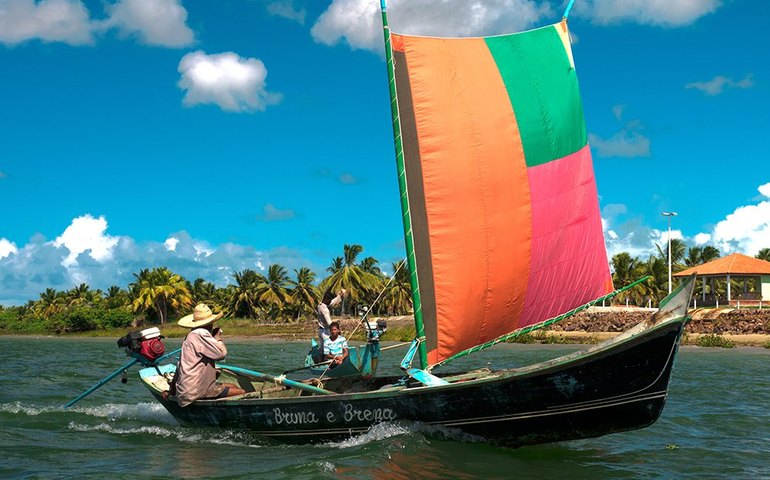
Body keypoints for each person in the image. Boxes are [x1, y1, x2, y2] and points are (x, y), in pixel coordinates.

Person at [165, 303, 246, 407]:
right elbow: (221, 354)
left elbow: (180, 365)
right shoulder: (201, 333)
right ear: (209, 323)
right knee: (241, 392)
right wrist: (217, 337)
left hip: (187, 391)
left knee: (232, 386)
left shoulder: (190, 336)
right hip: (196, 391)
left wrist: (172, 390)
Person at [316, 288, 346, 357]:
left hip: (321, 330)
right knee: (328, 348)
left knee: (323, 348)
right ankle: (328, 362)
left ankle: (322, 359)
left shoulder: (320, 305)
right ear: (327, 300)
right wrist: (337, 330)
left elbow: (332, 302)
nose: (330, 302)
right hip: (325, 332)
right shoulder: (324, 309)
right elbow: (329, 323)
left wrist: (341, 294)